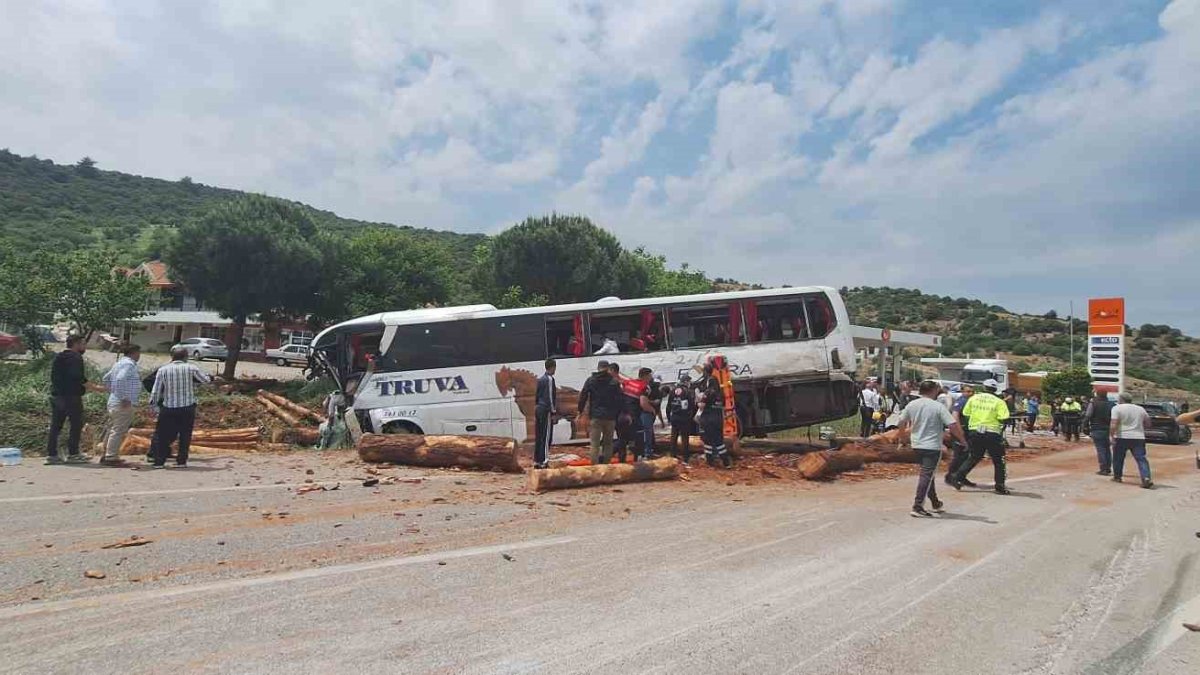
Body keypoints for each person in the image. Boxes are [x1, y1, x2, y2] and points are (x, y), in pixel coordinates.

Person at [899, 380, 968, 518]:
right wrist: (962, 440)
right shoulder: (938, 406)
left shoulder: (912, 404)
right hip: (932, 446)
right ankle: (918, 506)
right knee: (927, 475)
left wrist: (903, 438)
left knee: (928, 474)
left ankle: (935, 503)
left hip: (917, 444)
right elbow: (952, 425)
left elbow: (901, 422)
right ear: (933, 390)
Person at [147, 347, 211, 468]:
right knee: (185, 434)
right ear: (185, 356)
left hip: (169, 406)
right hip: (187, 406)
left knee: (162, 434)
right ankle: (181, 461)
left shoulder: (163, 370)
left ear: (172, 357)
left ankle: (159, 461)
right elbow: (205, 380)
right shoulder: (191, 368)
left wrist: (153, 405)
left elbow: (156, 390)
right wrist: (210, 377)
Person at [949, 379, 1011, 494]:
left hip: (975, 431)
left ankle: (957, 477)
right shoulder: (999, 402)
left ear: (984, 387)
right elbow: (1003, 417)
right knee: (999, 460)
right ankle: (1000, 485)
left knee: (974, 456)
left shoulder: (973, 399)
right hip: (992, 432)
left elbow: (966, 413)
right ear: (995, 389)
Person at [46, 335, 98, 465]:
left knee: (56, 426)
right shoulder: (75, 357)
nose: (85, 347)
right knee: (76, 425)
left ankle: (52, 455)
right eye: (83, 344)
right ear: (76, 344)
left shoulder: (59, 357)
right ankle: (73, 454)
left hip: (57, 396)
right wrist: (94, 387)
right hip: (71, 397)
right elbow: (77, 376)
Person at [99, 343, 143, 466]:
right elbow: (120, 379)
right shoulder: (129, 365)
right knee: (118, 430)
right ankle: (111, 457)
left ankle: (106, 454)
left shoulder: (119, 364)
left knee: (113, 429)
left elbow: (106, 378)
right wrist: (124, 397)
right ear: (134, 353)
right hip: (122, 403)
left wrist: (113, 391)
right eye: (138, 353)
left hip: (114, 401)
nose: (139, 356)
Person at [577, 360, 621, 465]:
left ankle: (594, 467)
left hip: (596, 416)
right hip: (610, 417)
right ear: (608, 368)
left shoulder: (591, 380)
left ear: (598, 368)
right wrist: (617, 413)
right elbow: (619, 399)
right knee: (608, 443)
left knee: (594, 443)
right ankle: (606, 466)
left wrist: (580, 411)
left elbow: (583, 396)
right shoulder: (614, 382)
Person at [1110, 392, 1153, 488]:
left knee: (1118, 458)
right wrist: (1140, 428)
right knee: (1141, 459)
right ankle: (1146, 478)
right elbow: (1148, 422)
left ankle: (1117, 477)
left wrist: (1111, 436)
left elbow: (1113, 424)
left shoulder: (1117, 408)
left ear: (1121, 399)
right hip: (1138, 437)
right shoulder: (1140, 409)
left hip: (1122, 436)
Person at [695, 362, 732, 468]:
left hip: (709, 416)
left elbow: (702, 403)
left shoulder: (709, 389)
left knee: (709, 439)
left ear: (705, 372)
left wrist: (699, 399)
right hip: (718, 416)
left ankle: (714, 461)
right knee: (717, 439)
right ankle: (723, 461)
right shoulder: (719, 392)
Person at [945, 384, 976, 487]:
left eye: (972, 391)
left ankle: (961, 477)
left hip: (968, 431)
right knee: (959, 455)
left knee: (966, 455)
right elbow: (955, 416)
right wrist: (959, 430)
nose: (971, 393)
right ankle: (950, 477)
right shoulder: (961, 401)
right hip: (960, 432)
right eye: (968, 391)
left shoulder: (970, 401)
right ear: (962, 392)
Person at [533, 358, 557, 470]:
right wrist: (553, 411)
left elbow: (537, 395)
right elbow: (550, 397)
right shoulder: (550, 379)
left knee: (539, 435)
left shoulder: (540, 379)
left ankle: (537, 460)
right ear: (552, 367)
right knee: (546, 436)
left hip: (539, 408)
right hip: (545, 409)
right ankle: (544, 460)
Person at [1084, 391, 1114, 475]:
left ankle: (1103, 469)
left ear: (1097, 395)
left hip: (1097, 428)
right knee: (1107, 449)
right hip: (1108, 429)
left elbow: (1088, 415)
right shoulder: (1112, 404)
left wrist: (1085, 426)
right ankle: (1108, 468)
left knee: (1101, 449)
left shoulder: (1093, 404)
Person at [667, 375, 696, 461]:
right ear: (686, 382)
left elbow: (668, 405)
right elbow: (692, 405)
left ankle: (673, 455)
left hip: (674, 416)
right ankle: (685, 457)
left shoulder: (673, 390)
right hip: (684, 417)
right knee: (685, 437)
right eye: (689, 381)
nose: (690, 383)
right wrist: (692, 416)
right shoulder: (688, 391)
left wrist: (669, 418)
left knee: (674, 436)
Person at [637, 370, 663, 459]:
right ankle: (647, 452)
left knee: (646, 433)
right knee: (647, 433)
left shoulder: (642, 385)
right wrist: (651, 408)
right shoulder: (646, 387)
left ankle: (645, 451)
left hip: (642, 412)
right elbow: (643, 401)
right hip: (646, 412)